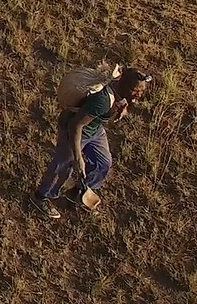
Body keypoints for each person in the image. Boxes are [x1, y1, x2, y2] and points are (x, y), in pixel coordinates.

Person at [33, 65, 155, 219]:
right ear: (124, 86)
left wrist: (123, 105)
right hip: (76, 131)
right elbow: (75, 125)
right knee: (64, 165)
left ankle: (78, 193)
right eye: (135, 91)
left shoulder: (120, 87)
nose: (138, 95)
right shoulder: (102, 101)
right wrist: (78, 158)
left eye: (141, 91)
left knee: (103, 163)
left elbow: (123, 98)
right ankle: (41, 197)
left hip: (95, 130)